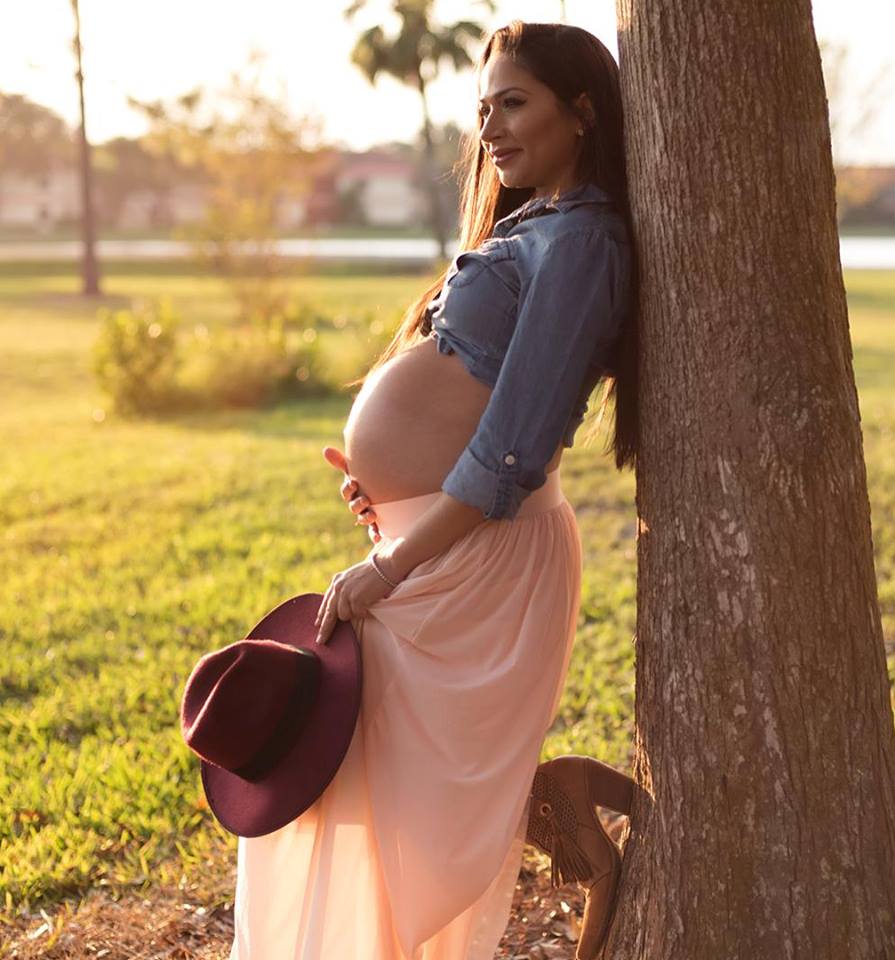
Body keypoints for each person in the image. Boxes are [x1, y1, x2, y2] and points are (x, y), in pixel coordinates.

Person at [228, 18, 642, 960]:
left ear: (582, 112)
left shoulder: (583, 242)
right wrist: (389, 490)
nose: (491, 128)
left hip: (476, 555)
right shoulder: (529, 227)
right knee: (352, 779)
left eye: (515, 103)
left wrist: (394, 561)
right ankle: (560, 808)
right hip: (432, 538)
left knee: (361, 782)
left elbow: (515, 445)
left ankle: (563, 820)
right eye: (483, 108)